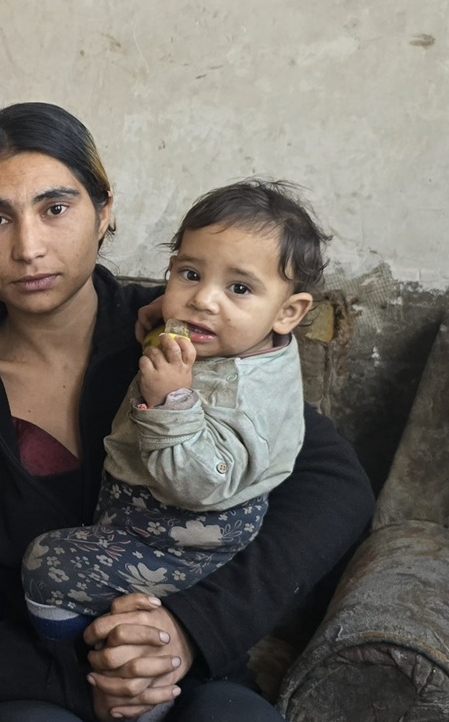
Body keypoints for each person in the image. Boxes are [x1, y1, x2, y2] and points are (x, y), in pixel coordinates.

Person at [0, 103, 374, 722]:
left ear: (105, 210)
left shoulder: (189, 333)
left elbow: (336, 486)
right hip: (32, 686)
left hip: (189, 669)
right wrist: (82, 687)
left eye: (55, 208)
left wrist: (189, 632)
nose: (28, 247)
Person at [23, 180, 326, 641]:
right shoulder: (258, 341)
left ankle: (86, 654)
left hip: (182, 533)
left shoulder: (240, 392)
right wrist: (167, 307)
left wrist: (170, 402)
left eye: (239, 287)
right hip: (158, 518)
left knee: (46, 566)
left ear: (289, 312)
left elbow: (202, 482)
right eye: (190, 274)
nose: (203, 300)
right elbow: (214, 303)